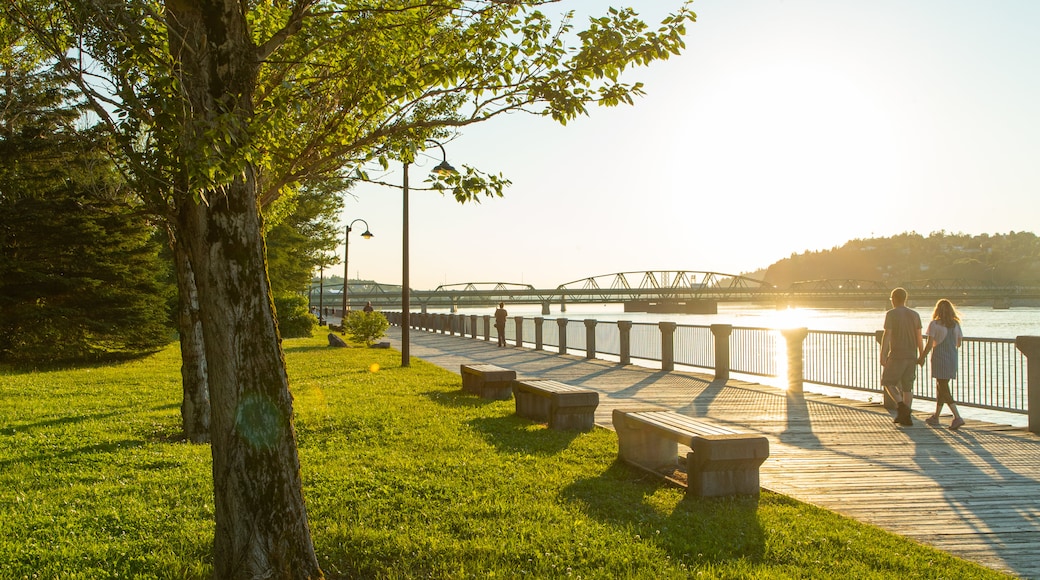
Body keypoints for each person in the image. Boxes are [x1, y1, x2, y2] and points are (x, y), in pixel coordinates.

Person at [880, 287, 925, 426]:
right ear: (905, 298)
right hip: (912, 355)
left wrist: (883, 354)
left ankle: (902, 407)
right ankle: (905, 416)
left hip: (897, 354)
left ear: (893, 299)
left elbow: (887, 335)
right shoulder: (915, 315)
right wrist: (921, 354)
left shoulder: (891, 314)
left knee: (887, 381)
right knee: (907, 386)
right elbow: (919, 337)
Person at [919, 299, 965, 430]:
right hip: (951, 358)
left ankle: (957, 417)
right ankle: (936, 417)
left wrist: (921, 357)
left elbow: (929, 345)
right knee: (942, 386)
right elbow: (958, 343)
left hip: (939, 358)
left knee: (943, 387)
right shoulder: (955, 324)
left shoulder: (934, 324)